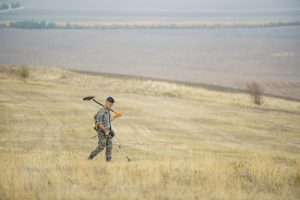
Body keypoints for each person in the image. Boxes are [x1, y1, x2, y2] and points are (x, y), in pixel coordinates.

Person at [87, 97, 121, 161]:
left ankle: (108, 161)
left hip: (108, 131)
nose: (111, 106)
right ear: (106, 102)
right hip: (102, 131)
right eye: (110, 105)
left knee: (109, 147)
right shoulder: (100, 111)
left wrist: (115, 116)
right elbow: (99, 123)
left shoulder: (107, 111)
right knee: (101, 146)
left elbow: (108, 120)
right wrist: (105, 131)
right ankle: (90, 157)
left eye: (112, 105)